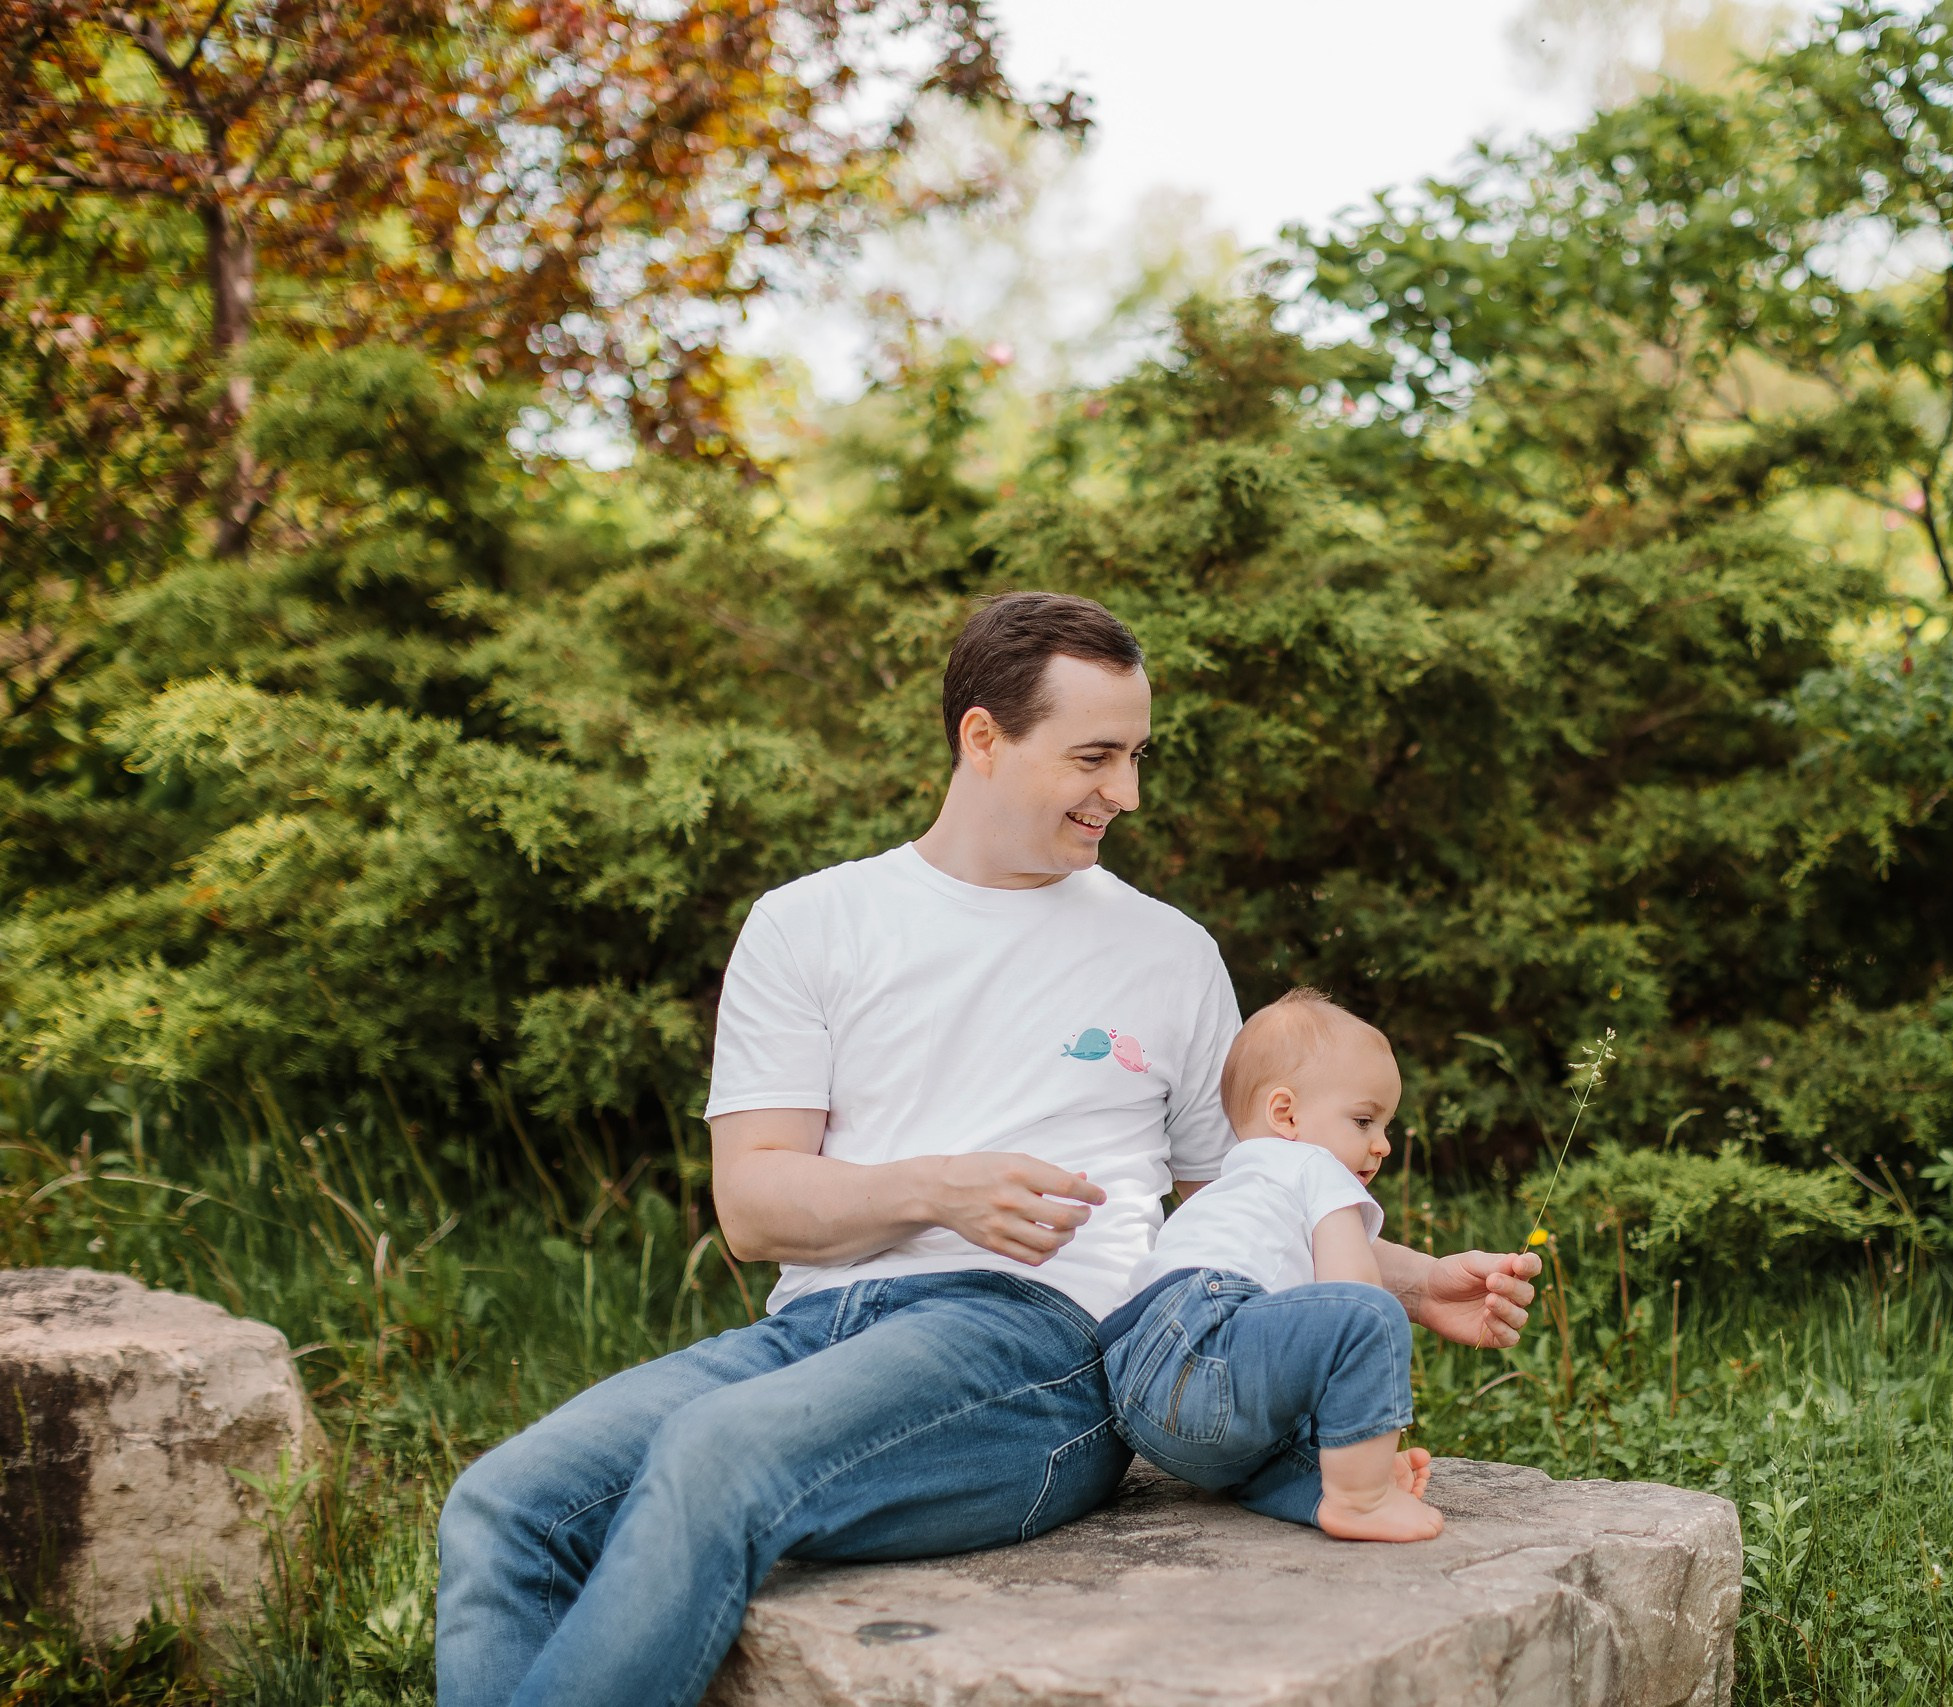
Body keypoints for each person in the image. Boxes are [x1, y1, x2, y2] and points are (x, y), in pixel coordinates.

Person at [434, 591, 1542, 1707]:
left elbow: (1238, 1210)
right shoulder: (812, 922)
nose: (1127, 792)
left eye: (1137, 755)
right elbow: (754, 1206)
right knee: (502, 1506)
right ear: (982, 738)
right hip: (813, 1334)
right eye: (1095, 756)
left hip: (1043, 1352)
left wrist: (1406, 1281)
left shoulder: (1170, 951)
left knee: (719, 1458)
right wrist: (939, 1190)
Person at [1102, 988, 1443, 1542]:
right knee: (1371, 1315)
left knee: (1268, 1430)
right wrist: (1368, 1428)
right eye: (1364, 1121)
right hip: (1207, 1330)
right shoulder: (1311, 1163)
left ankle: (1330, 1483)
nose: (1381, 1145)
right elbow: (1350, 1289)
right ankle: (1363, 1497)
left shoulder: (1232, 1183)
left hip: (1135, 1380)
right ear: (1286, 1114)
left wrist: (1350, 1449)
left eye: (1385, 1128)